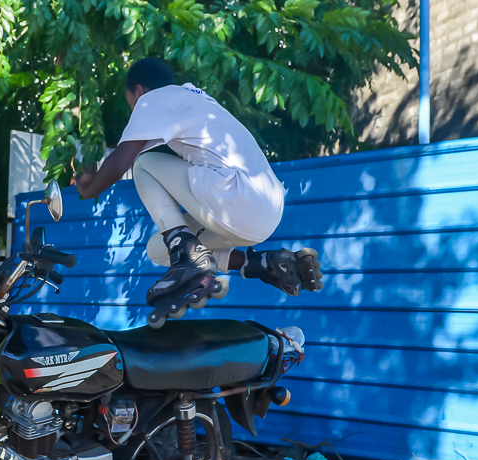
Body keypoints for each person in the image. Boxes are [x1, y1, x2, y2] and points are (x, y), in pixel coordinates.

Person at [73, 58, 323, 322]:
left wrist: (88, 187)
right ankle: (264, 264)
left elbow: (121, 161)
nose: (134, 110)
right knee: (158, 250)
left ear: (138, 91)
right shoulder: (197, 100)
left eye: (130, 102)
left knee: (143, 165)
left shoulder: (152, 99)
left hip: (236, 199)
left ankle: (188, 254)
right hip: (266, 212)